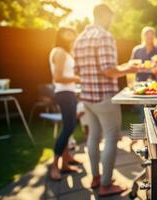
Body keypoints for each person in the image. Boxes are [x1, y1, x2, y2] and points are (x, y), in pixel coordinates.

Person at [73, 4, 138, 196]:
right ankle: (106, 184)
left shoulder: (79, 39)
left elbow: (76, 71)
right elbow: (108, 69)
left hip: (87, 98)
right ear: (104, 16)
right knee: (111, 137)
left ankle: (95, 177)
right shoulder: (105, 36)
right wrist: (130, 68)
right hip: (104, 97)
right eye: (110, 18)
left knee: (93, 136)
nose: (111, 22)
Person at [49, 27, 81, 181]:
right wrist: (78, 79)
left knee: (70, 127)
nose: (73, 35)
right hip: (64, 93)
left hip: (69, 93)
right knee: (68, 127)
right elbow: (58, 77)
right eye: (68, 32)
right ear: (60, 34)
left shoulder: (65, 52)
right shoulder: (60, 52)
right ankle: (54, 166)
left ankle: (66, 161)